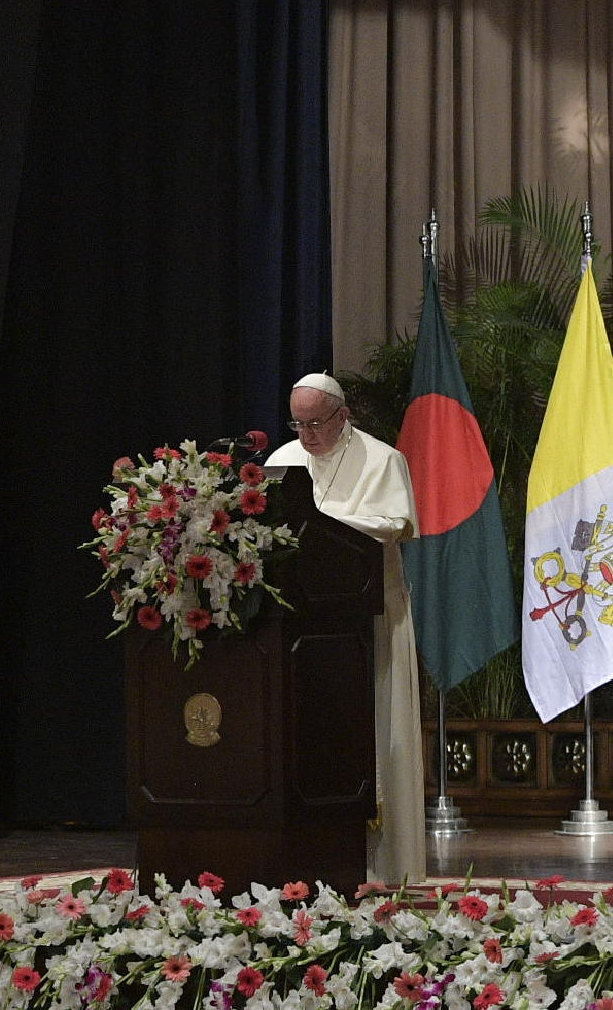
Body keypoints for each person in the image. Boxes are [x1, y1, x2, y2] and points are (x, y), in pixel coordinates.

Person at [261, 372, 428, 885]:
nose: (306, 435)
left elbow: (395, 525)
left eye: (315, 423)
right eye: (298, 423)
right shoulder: (282, 462)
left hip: (368, 619)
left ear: (343, 415)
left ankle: (385, 864)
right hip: (301, 629)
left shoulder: (383, 460)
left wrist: (325, 521)